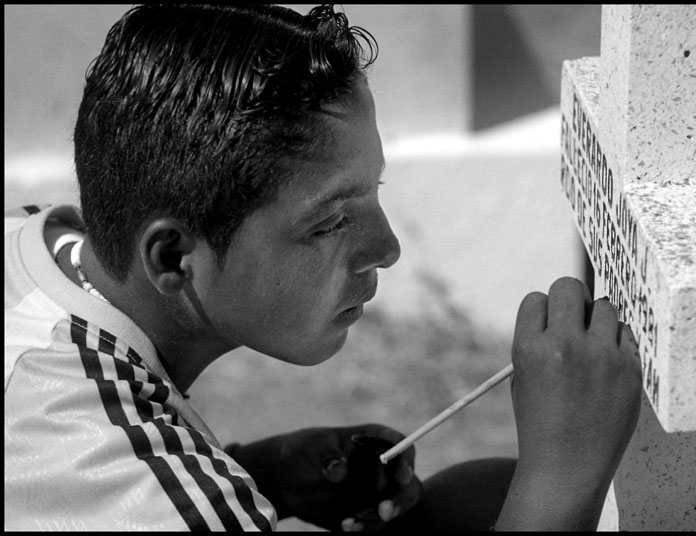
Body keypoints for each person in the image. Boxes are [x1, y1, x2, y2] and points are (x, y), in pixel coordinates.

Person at [4, 4, 642, 531]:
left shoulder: (27, 242)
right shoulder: (106, 468)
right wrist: (563, 472)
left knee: (472, 498)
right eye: (329, 222)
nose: (386, 248)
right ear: (173, 258)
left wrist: (256, 474)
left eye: (373, 193)